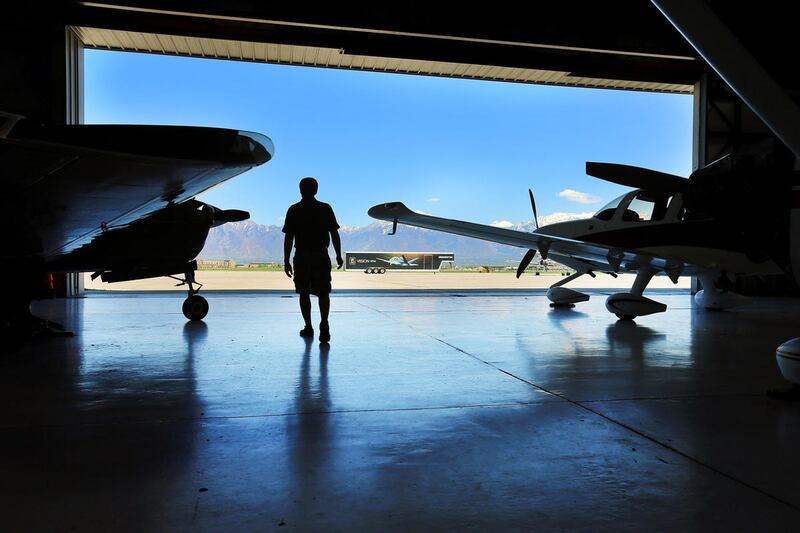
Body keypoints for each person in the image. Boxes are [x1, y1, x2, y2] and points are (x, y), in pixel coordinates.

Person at [282, 177, 343, 343]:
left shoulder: (294, 210)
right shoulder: (325, 208)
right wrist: (338, 254)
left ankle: (308, 327)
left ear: (300, 190)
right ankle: (324, 323)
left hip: (302, 255)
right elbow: (334, 233)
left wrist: (286, 260)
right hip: (321, 255)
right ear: (316, 190)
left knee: (303, 292)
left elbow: (289, 238)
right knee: (323, 292)